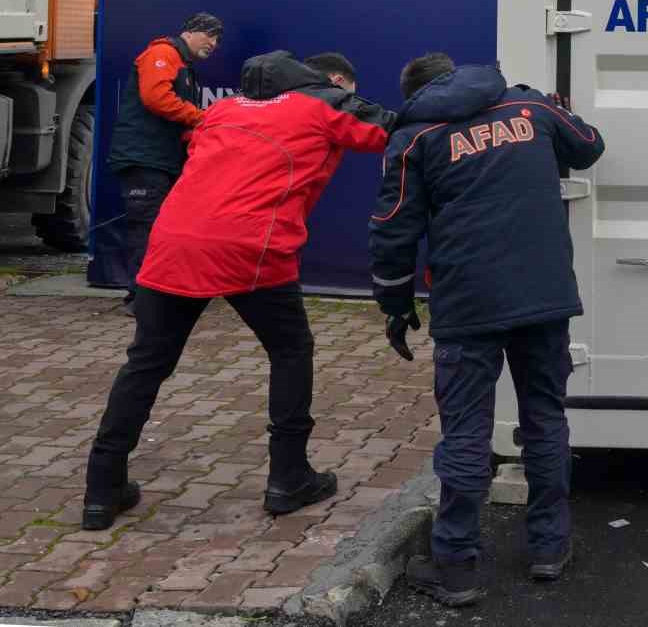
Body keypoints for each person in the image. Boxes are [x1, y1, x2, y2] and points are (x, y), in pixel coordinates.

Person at [82, 51, 394, 531]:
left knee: (146, 363)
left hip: (174, 241)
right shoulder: (323, 106)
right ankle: (288, 478)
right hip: (250, 246)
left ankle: (102, 489)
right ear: (331, 81)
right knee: (290, 350)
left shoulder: (224, 111)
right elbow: (392, 132)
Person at [368, 52, 604, 608]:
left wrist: (396, 306)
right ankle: (549, 547)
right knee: (545, 418)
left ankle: (456, 567)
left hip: (467, 303)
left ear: (416, 92)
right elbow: (589, 146)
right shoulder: (529, 104)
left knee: (467, 432)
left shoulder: (416, 136)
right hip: (544, 296)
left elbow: (391, 230)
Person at [106, 12, 224, 315]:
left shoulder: (182, 63)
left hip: (160, 160)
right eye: (210, 35)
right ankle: (140, 300)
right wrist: (201, 118)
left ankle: (155, 296)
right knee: (147, 228)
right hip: (145, 159)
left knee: (159, 228)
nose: (214, 43)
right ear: (191, 32)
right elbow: (156, 98)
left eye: (217, 39)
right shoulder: (163, 53)